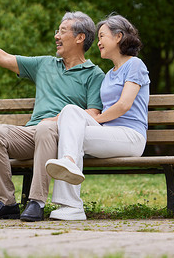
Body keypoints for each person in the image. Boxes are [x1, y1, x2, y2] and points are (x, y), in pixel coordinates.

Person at [0, 12, 105, 222]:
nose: (57, 36)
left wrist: (56, 120)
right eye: (56, 31)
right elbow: (3, 57)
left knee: (45, 128)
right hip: (34, 134)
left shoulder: (94, 74)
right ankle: (7, 204)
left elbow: (93, 114)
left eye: (62, 31)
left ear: (80, 37)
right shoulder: (45, 64)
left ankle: (36, 202)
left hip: (64, 139)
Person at [45, 14, 150, 221]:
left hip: (131, 137)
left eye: (102, 36)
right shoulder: (109, 74)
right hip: (108, 134)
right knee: (70, 111)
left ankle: (71, 200)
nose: (98, 42)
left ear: (118, 37)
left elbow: (123, 105)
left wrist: (95, 120)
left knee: (71, 130)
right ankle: (69, 174)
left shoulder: (135, 65)